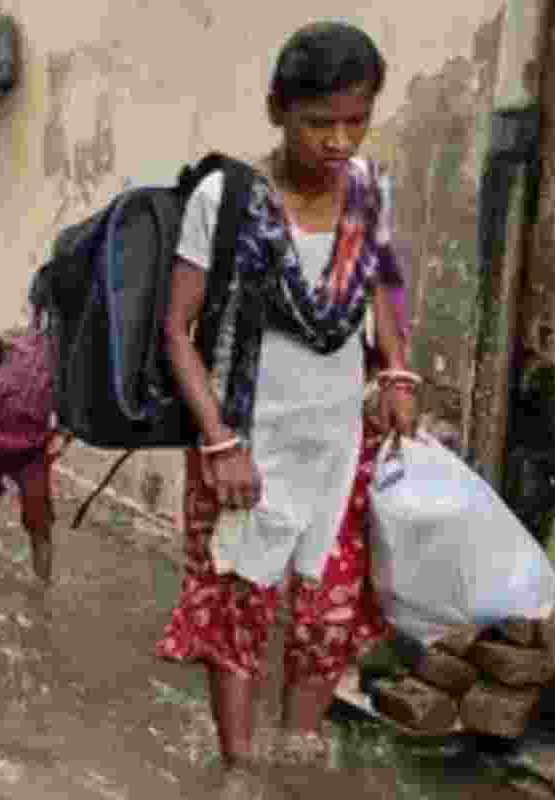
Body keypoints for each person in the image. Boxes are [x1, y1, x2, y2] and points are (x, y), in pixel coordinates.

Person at [154, 21, 415, 780]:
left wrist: (397, 372)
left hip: (337, 447)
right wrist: (218, 443)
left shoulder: (370, 191)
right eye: (319, 122)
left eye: (355, 121)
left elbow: (383, 288)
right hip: (245, 446)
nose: (339, 141)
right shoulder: (227, 198)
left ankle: (297, 762)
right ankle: (239, 773)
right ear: (278, 109)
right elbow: (179, 330)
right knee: (239, 608)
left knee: (328, 616)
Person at [0, 311, 71, 585]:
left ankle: (41, 589)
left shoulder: (72, 357)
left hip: (33, 450)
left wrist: (65, 435)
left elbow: (78, 405)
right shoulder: (10, 340)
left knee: (39, 521)